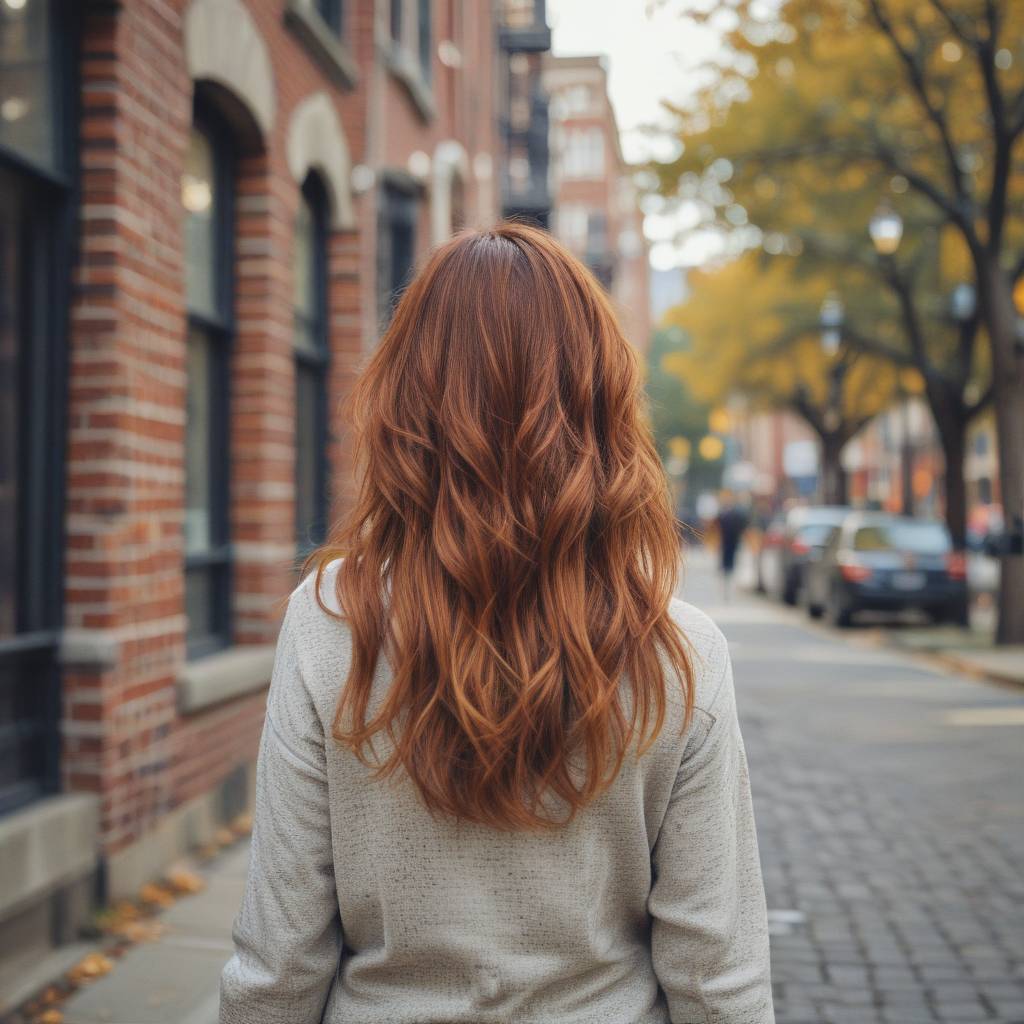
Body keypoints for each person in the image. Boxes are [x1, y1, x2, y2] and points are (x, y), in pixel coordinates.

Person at [219, 222, 774, 1024]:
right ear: (603, 405)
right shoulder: (679, 652)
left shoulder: (330, 620)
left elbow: (278, 962)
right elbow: (717, 977)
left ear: (408, 399)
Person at [716, 492, 749, 601]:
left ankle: (728, 571)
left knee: (730, 560)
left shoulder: (730, 514)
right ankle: (727, 571)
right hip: (728, 541)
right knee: (728, 560)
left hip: (731, 541)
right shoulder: (725, 513)